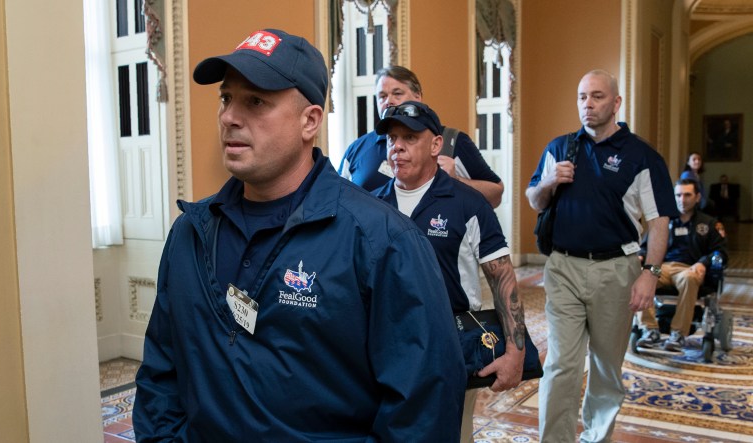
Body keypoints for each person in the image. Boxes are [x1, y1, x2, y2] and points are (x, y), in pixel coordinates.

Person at [133, 29, 467, 442]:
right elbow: (161, 373)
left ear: (310, 121)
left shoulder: (383, 241)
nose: (229, 117)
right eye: (226, 98)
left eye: (255, 101)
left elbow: (422, 410)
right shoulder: (191, 233)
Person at [525, 69, 678, 442]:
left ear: (616, 103)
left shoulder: (641, 157)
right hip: (563, 268)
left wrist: (650, 273)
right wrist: (549, 182)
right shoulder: (560, 147)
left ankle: (596, 437)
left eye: (596, 96)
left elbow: (659, 222)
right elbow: (534, 200)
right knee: (562, 364)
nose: (587, 104)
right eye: (581, 97)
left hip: (616, 270)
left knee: (607, 367)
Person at [372, 100, 526, 443]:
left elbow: (502, 277)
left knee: (451, 434)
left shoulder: (468, 203)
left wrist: (515, 352)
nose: (397, 146)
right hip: (387, 341)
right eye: (391, 138)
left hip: (452, 342)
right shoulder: (373, 206)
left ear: (436, 144)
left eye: (409, 138)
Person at [338, 65, 504, 207]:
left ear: (418, 97)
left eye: (397, 94)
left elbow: (496, 195)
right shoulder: (357, 148)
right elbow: (338, 200)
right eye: (382, 96)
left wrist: (456, 181)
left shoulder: (451, 141)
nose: (389, 101)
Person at [636, 179, 728, 351]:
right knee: (642, 274)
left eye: (687, 195)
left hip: (689, 269)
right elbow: (645, 248)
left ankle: (678, 334)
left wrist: (703, 263)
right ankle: (649, 330)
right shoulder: (663, 220)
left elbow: (720, 252)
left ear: (697, 197)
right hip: (660, 268)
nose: (682, 199)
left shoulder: (709, 223)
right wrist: (641, 258)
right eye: (678, 195)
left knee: (689, 278)